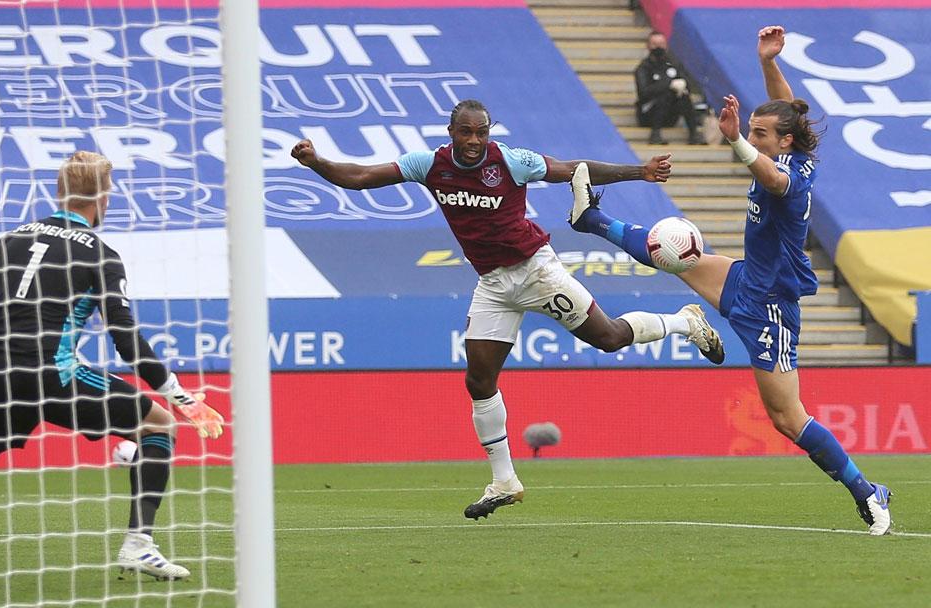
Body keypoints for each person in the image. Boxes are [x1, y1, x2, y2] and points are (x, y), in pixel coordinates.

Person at [291, 100, 725, 520]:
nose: (475, 140)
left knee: (608, 338)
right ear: (452, 132)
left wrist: (640, 172)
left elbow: (572, 169)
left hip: (536, 272)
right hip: (494, 284)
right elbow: (364, 175)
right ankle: (504, 481)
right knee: (479, 379)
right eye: (467, 132)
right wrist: (318, 163)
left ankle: (684, 321)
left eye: (482, 132)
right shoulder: (430, 164)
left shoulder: (511, 161)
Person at [570, 26, 892, 535]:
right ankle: (591, 220)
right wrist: (768, 63)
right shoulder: (792, 144)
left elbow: (774, 178)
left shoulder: (791, 174)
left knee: (788, 420)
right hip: (747, 278)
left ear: (781, 143)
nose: (757, 135)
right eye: (755, 131)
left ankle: (867, 491)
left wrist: (738, 139)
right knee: (671, 255)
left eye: (763, 134)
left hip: (771, 307)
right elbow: (788, 114)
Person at [0, 151, 226, 593]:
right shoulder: (101, 254)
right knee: (160, 424)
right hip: (52, 374)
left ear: (61, 191)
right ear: (102, 198)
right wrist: (178, 394)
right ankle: (138, 541)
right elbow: (124, 336)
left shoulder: (12, 239)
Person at [635, 30, 707, 146]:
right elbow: (643, 93)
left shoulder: (674, 64)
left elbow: (687, 82)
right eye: (655, 45)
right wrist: (668, 85)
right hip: (649, 114)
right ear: (648, 46)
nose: (658, 48)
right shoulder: (643, 68)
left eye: (661, 44)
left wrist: (682, 84)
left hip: (670, 114)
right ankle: (655, 134)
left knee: (683, 95)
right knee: (666, 94)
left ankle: (694, 134)